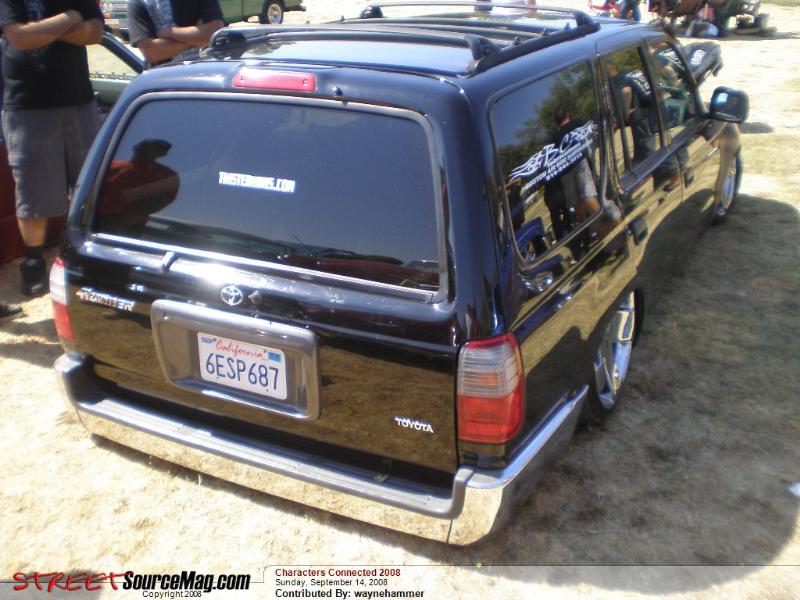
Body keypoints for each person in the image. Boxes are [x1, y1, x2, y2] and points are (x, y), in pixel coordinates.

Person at [0, 0, 104, 296]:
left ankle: (85, 257)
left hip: (80, 102)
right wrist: (70, 17)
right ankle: (34, 264)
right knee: (34, 193)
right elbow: (19, 38)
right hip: (28, 106)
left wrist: (42, 31)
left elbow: (95, 33)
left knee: (90, 188)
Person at [128, 0, 223, 67]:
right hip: (166, 81)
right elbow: (151, 53)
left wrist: (168, 33)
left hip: (206, 74)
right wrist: (198, 37)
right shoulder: (139, 3)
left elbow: (215, 33)